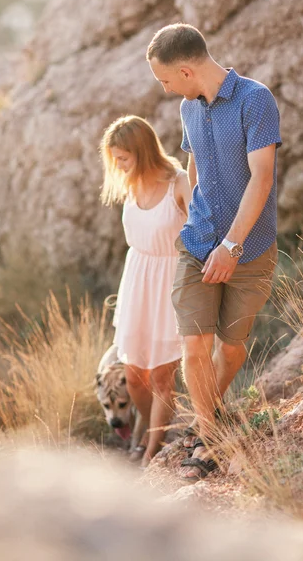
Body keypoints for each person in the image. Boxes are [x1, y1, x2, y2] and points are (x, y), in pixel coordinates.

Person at [147, 24, 281, 480]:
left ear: (185, 70)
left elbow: (261, 178)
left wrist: (232, 245)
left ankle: (212, 412)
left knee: (233, 348)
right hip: (198, 242)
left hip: (251, 250)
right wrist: (189, 211)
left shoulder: (255, 99)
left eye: (165, 80)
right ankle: (209, 437)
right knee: (194, 344)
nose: (165, 90)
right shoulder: (188, 108)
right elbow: (195, 162)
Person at [100, 115, 191, 467]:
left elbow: (202, 230)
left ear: (142, 150)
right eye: (115, 160)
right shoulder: (131, 184)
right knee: (136, 376)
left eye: (123, 158)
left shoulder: (179, 183)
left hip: (170, 281)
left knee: (162, 376)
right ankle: (151, 427)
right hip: (136, 279)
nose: (119, 167)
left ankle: (151, 450)